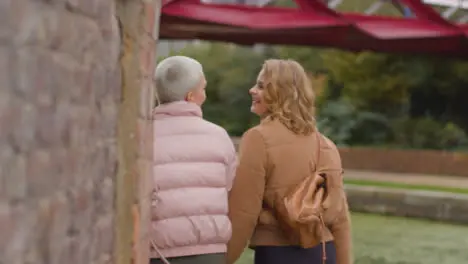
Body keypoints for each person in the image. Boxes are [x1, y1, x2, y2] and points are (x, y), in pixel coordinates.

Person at [227, 59, 352, 264]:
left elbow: (244, 212)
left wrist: (225, 259)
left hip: (279, 254)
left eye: (260, 86)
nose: (251, 90)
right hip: (323, 252)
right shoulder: (326, 144)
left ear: (279, 92)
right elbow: (340, 218)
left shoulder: (258, 138)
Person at [150, 56, 237, 264]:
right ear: (190, 96)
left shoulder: (141, 137)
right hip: (208, 251)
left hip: (155, 250)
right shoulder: (218, 136)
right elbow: (229, 185)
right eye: (203, 89)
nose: (204, 94)